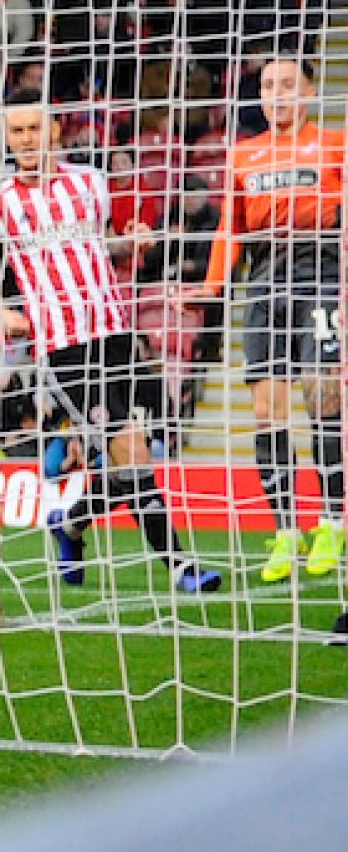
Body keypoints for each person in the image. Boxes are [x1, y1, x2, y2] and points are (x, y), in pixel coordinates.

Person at [0, 94, 218, 593]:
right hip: (63, 343)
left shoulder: (90, 183)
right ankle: (181, 567)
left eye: (35, 128)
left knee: (129, 456)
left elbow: (109, 240)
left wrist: (134, 239)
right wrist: (0, 310)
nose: (27, 139)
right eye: (17, 132)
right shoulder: (0, 200)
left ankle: (71, 523)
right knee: (130, 449)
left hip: (115, 334)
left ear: (55, 131)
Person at [186, 58, 348, 584]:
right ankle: (284, 532)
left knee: (323, 395)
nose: (277, 94)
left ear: (308, 92)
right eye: (268, 86)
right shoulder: (244, 155)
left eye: (287, 85)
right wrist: (213, 287)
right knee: (267, 408)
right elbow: (229, 230)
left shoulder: (334, 145)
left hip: (321, 271)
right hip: (265, 276)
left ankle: (332, 520)